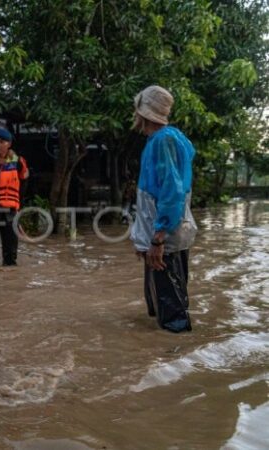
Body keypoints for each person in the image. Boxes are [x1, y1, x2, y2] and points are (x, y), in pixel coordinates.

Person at [129, 85, 197, 333]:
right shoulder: (173, 137)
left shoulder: (162, 140)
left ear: (143, 111)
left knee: (172, 313)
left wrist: (157, 239)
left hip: (164, 235)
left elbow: (171, 191)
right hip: (167, 231)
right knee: (165, 298)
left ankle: (173, 355)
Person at [0, 127, 28, 266]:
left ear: (8, 144)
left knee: (11, 257)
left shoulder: (18, 161)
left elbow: (24, 185)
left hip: (10, 212)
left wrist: (19, 208)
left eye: (1, 142)